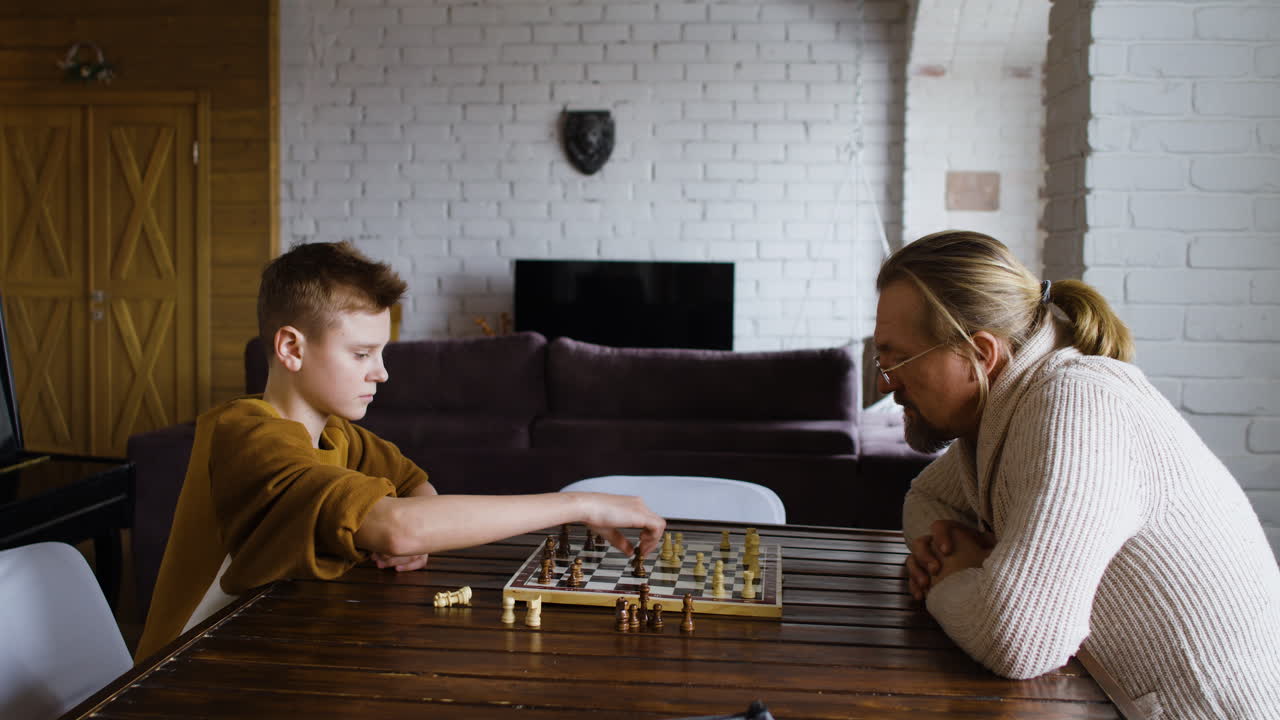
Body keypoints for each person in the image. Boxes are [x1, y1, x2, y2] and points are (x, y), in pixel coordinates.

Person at [136, 242, 665, 661]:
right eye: (362, 353)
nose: (381, 372)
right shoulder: (246, 436)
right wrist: (579, 504)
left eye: (382, 352)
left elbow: (415, 487)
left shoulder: (338, 435)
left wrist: (413, 531)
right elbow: (398, 525)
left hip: (267, 651)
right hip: (184, 676)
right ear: (291, 347)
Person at [876, 231, 1280, 717]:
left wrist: (952, 578)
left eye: (899, 358)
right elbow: (925, 500)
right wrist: (979, 579)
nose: (888, 380)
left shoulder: (1077, 408)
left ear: (980, 355)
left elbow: (1017, 637)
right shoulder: (1004, 411)